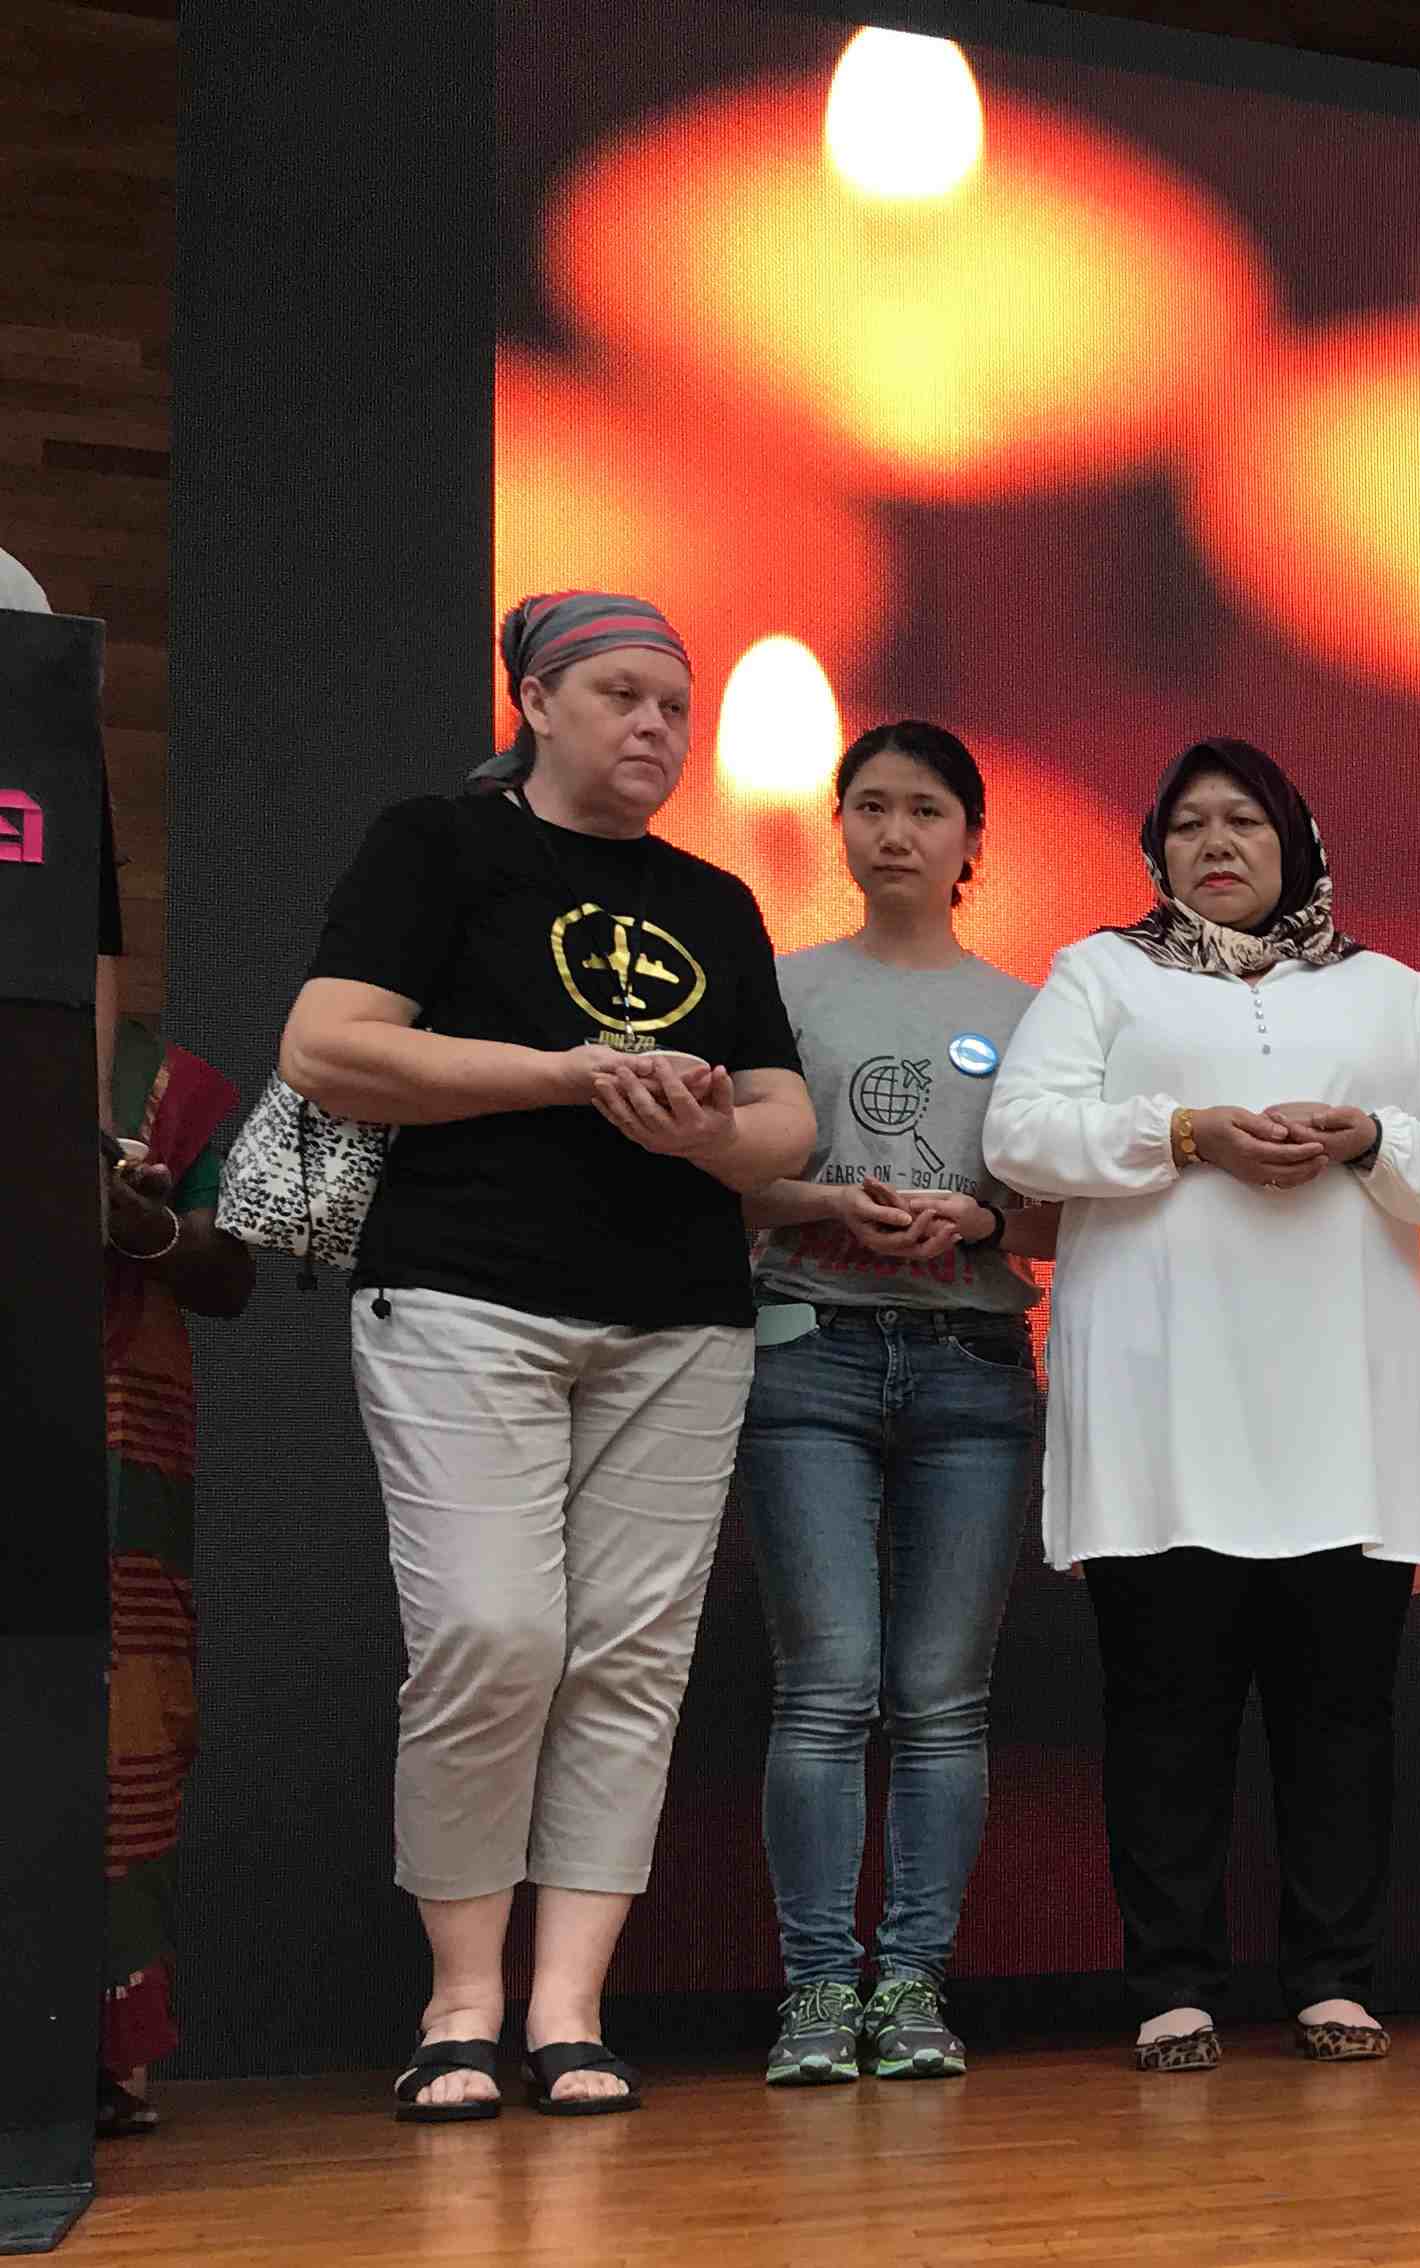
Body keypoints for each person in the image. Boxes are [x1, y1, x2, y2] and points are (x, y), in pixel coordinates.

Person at [281, 591, 814, 2117]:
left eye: (676, 707)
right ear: (534, 701)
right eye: (622, 695)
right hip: (465, 1295)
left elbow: (785, 1122)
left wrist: (706, 1134)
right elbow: (326, 1046)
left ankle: (568, 2011)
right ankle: (460, 2003)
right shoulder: (438, 845)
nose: (656, 727)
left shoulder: (715, 899)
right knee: (493, 1635)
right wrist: (569, 1076)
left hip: (681, 1317)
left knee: (630, 1660)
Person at [986, 738, 1420, 2072]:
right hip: (1167, 1400)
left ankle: (1335, 1978)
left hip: (1347, 1403)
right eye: (1190, 826)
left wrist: (1368, 1137)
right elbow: (1018, 1133)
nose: (1216, 844)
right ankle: (1173, 1988)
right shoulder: (1101, 973)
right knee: (1167, 1710)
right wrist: (1184, 1131)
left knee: (1343, 1713)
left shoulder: (1390, 989)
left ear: (1297, 842)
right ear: (1156, 851)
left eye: (1246, 822)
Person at [737, 721, 1062, 2087]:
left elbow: (1065, 1213)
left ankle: (913, 1982)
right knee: (826, 1688)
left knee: (940, 1698)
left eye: (926, 809)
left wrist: (974, 1218)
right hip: (806, 1353)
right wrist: (828, 1203)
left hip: (973, 1367)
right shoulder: (780, 989)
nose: (895, 832)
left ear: (972, 840)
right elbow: (718, 1179)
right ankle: (819, 1987)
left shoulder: (1032, 1008)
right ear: (839, 826)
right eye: (869, 805)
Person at [96, 1017, 255, 2137]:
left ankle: (101, 2054)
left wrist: (139, 1223)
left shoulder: (157, 1082)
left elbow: (227, 1273)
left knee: (126, 1721)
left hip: (113, 1442)